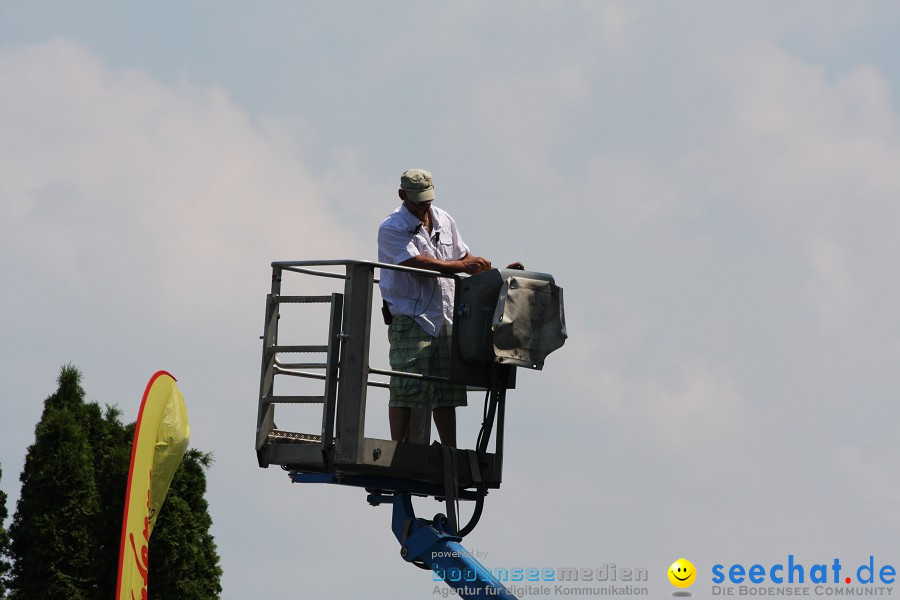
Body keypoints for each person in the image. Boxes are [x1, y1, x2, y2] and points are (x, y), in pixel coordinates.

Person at [377, 168, 521, 447]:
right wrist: (463, 266)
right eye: (417, 200)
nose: (423, 206)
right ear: (402, 195)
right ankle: (398, 447)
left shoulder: (443, 219)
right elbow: (416, 263)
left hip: (444, 316)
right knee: (406, 384)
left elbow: (466, 259)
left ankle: (448, 448)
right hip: (410, 316)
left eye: (426, 200)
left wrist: (498, 272)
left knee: (445, 388)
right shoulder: (391, 227)